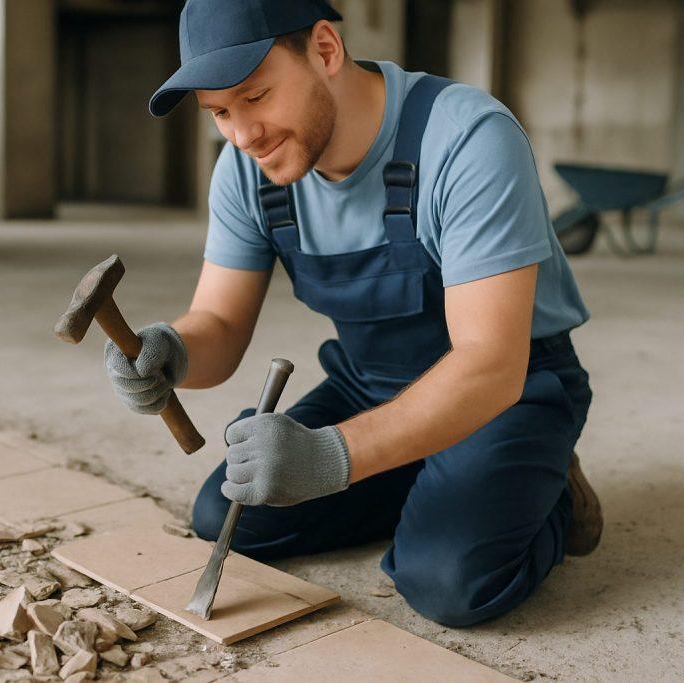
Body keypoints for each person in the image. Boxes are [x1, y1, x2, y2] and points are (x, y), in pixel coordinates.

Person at [103, 0, 602, 627]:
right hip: (368, 384)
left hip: (508, 391)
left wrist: (333, 455)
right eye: (220, 113)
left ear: (326, 50)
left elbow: (490, 364)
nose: (242, 134)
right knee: (227, 514)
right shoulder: (244, 169)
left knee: (448, 582)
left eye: (256, 97)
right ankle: (423, 472)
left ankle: (549, 495)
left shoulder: (466, 137)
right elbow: (221, 328)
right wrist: (170, 352)